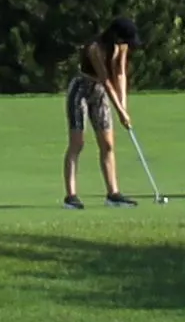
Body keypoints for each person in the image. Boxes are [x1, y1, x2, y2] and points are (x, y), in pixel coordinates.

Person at [59, 17, 142, 208]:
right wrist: (120, 112)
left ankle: (113, 194)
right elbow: (106, 79)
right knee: (77, 143)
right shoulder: (95, 48)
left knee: (107, 144)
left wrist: (123, 106)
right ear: (115, 35)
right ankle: (71, 196)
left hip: (100, 93)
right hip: (80, 90)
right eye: (124, 40)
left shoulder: (122, 46)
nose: (126, 44)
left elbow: (120, 74)